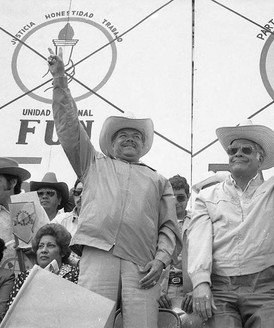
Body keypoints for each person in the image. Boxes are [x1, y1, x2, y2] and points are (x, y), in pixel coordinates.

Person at [47, 48, 181, 328]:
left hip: (143, 262)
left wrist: (160, 260)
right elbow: (70, 128)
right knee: (92, 322)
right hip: (98, 252)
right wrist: (60, 80)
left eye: (136, 136)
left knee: (142, 325)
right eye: (123, 135)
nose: (130, 139)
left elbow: (169, 228)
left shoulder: (159, 180)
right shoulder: (93, 163)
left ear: (143, 146)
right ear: (112, 142)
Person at [188, 84, 274, 327]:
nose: (237, 154)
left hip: (265, 286)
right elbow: (199, 240)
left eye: (246, 150)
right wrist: (201, 282)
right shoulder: (207, 196)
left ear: (260, 159)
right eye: (232, 150)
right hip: (220, 286)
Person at [158, 175, 202, 328]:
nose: (176, 202)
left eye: (181, 197)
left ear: (188, 197)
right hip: (163, 290)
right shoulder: (156, 223)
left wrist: (198, 289)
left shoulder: (198, 222)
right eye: (172, 197)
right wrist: (157, 292)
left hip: (189, 292)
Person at [8, 223, 78, 305]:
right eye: (40, 246)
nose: (43, 250)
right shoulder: (25, 277)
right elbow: (12, 309)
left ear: (62, 252)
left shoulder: (74, 275)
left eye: (50, 246)